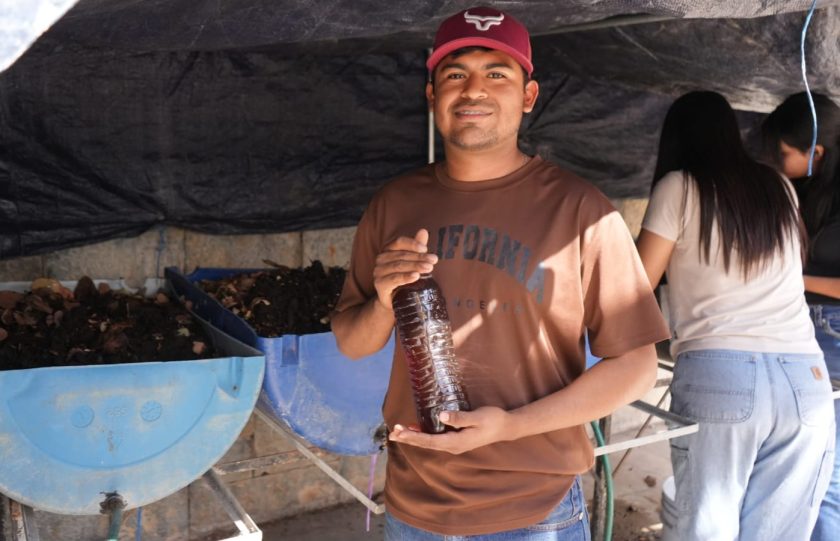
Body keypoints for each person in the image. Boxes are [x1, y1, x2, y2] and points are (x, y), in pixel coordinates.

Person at [331, 6, 670, 539]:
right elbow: (353, 343)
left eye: (496, 74)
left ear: (528, 96)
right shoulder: (394, 204)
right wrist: (382, 301)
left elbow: (637, 365)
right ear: (431, 95)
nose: (474, 90)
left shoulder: (582, 211)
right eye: (455, 74)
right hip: (414, 506)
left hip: (535, 511)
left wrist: (512, 426)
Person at [636, 91, 835, 541]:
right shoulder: (778, 185)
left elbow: (637, 285)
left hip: (721, 373)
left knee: (708, 529)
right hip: (805, 377)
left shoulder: (678, 186)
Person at [763, 92, 840, 541]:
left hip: (833, 335)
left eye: (784, 153)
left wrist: (794, 277)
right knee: (800, 469)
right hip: (807, 327)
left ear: (818, 152)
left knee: (825, 475)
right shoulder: (809, 190)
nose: (776, 162)